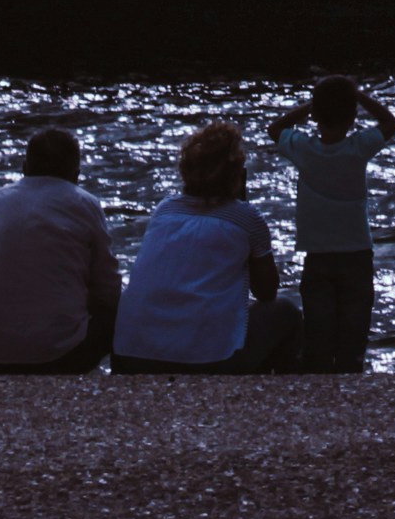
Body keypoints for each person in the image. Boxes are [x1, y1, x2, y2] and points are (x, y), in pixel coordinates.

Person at [110, 122, 304, 375]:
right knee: (285, 311)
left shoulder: (165, 210)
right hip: (209, 361)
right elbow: (266, 293)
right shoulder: (247, 218)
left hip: (132, 355)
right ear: (237, 174)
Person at [0, 126, 119, 374]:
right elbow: (107, 288)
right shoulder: (85, 204)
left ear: (24, 167)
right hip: (59, 356)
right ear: (76, 174)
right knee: (117, 313)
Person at [269, 76, 395, 374]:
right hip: (356, 251)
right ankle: (351, 376)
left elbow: (275, 129)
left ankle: (320, 380)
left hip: (317, 253)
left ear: (316, 115)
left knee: (318, 326)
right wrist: (360, 97)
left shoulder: (303, 148)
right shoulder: (358, 148)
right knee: (354, 328)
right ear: (353, 117)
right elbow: (391, 123)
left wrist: (310, 107)